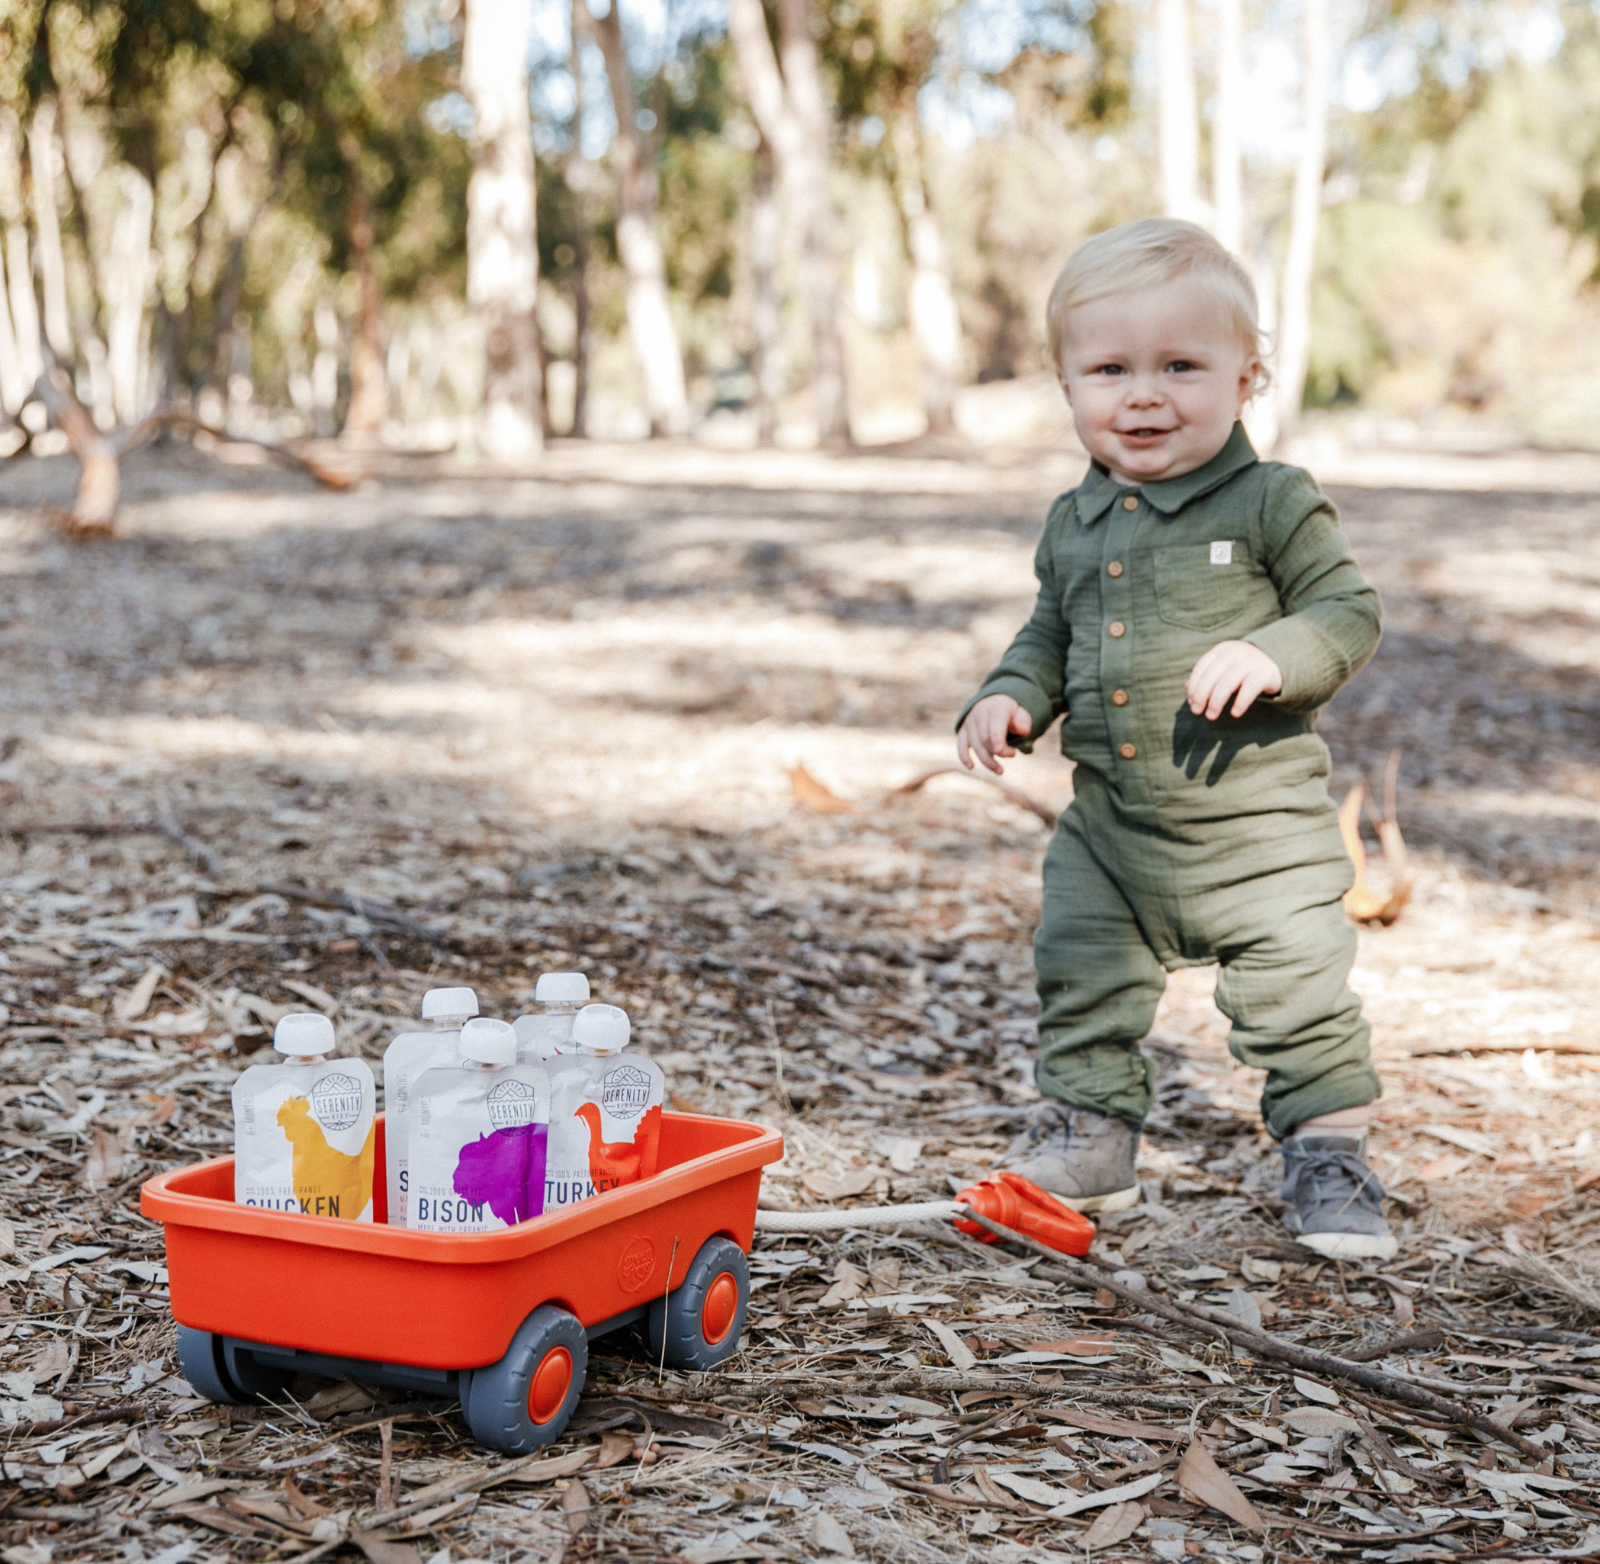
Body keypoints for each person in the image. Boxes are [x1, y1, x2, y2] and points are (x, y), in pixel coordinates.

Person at [955, 217, 1394, 1260]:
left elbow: (1346, 609)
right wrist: (1010, 695)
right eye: (1109, 368)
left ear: (1246, 378)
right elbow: (1049, 631)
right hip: (1111, 831)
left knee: (1296, 997)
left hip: (1257, 836)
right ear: (1066, 387)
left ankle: (1329, 1153)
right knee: (1080, 971)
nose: (1143, 394)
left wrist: (1275, 652)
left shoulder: (1269, 500)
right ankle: (1091, 1132)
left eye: (1179, 366)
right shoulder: (1074, 520)